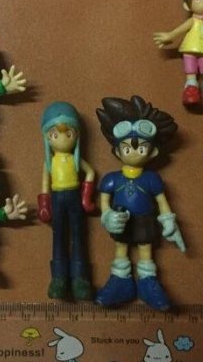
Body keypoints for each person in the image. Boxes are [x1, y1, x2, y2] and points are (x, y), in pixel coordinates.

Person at [95, 95, 184, 310]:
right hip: (121, 221)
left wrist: (168, 221)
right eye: (127, 148)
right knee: (121, 247)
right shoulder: (112, 179)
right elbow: (104, 202)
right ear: (117, 151)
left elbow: (162, 201)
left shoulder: (152, 179)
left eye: (141, 148)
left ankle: (147, 283)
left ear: (153, 152)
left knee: (146, 249)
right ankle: (120, 282)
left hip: (145, 220)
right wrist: (107, 216)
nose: (134, 152)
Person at [38, 102, 96, 300]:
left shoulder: (75, 160)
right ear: (47, 138)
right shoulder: (49, 162)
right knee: (58, 237)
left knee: (79, 236)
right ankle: (59, 278)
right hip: (57, 198)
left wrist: (86, 196)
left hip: (74, 197)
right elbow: (45, 183)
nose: (62, 139)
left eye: (68, 134)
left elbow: (90, 172)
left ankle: (80, 278)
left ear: (76, 135)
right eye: (55, 135)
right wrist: (44, 204)